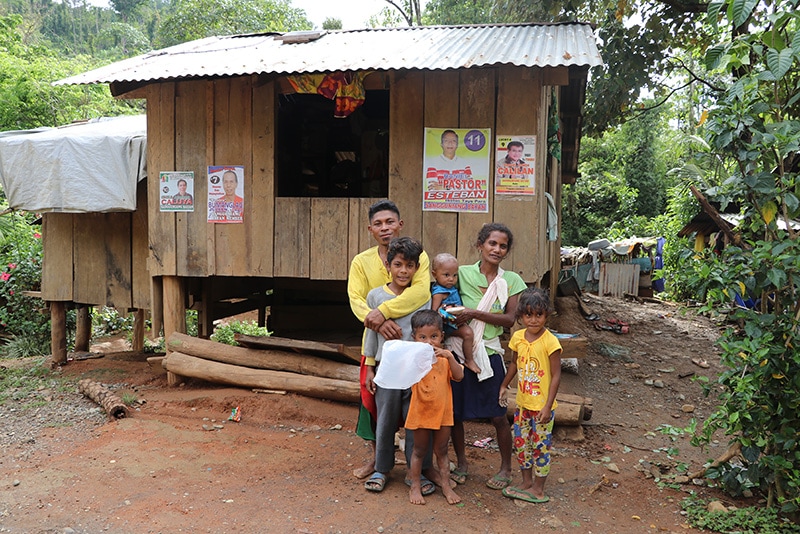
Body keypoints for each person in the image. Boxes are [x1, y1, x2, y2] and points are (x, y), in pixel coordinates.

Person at [346, 200, 432, 482]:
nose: (385, 228)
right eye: (379, 224)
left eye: (390, 222)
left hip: (412, 354)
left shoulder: (420, 256)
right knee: (375, 409)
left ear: (400, 224)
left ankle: (416, 468)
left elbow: (420, 294)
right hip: (377, 348)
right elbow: (357, 300)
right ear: (370, 229)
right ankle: (378, 462)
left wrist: (382, 312)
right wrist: (378, 322)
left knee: (415, 413)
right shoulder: (361, 261)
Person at [449, 223, 527, 489]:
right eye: (492, 243)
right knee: (455, 413)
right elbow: (445, 298)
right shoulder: (461, 274)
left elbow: (508, 319)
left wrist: (473, 313)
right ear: (480, 245)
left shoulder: (512, 280)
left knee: (497, 414)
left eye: (502, 246)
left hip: (490, 351)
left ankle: (506, 468)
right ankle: (461, 463)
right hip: (460, 351)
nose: (497, 249)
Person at [362, 237, 431, 493]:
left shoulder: (421, 296)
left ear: (416, 269)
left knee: (417, 421)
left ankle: (418, 472)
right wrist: (370, 367)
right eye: (398, 265)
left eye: (409, 266)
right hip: (387, 370)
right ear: (388, 265)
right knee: (385, 420)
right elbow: (370, 334)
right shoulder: (376, 296)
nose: (403, 271)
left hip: (415, 371)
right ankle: (382, 468)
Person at [498, 288, 562, 503]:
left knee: (541, 447)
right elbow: (514, 364)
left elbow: (555, 376)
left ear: (546, 315)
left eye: (539, 315)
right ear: (521, 316)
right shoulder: (517, 338)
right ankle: (526, 482)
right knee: (522, 443)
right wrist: (504, 385)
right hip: (523, 405)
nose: (533, 320)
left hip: (542, 407)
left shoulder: (550, 342)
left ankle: (538, 488)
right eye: (528, 315)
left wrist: (547, 406)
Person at [405, 309, 464, 505]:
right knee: (419, 450)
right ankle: (415, 486)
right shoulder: (413, 359)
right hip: (421, 413)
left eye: (434, 336)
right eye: (422, 337)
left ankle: (446, 486)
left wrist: (449, 356)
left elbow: (459, 376)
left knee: (442, 450)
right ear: (414, 338)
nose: (429, 342)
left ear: (442, 336)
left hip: (443, 414)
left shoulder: (445, 360)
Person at [430, 253, 479, 375]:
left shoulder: (451, 287)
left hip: (455, 321)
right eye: (446, 275)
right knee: (468, 333)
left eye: (454, 275)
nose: (451, 279)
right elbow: (434, 314)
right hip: (448, 325)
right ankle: (469, 360)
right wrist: (445, 312)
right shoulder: (439, 292)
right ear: (434, 274)